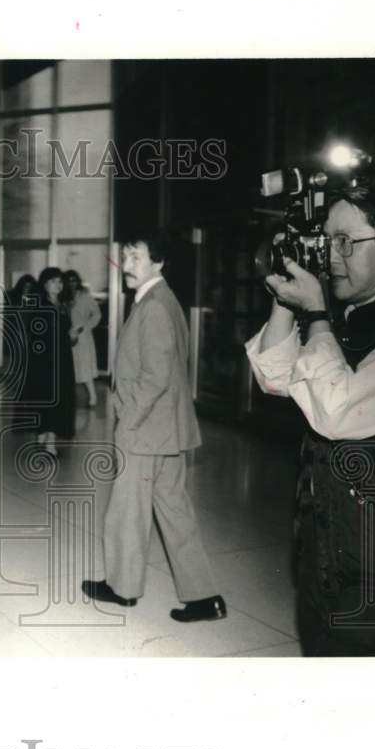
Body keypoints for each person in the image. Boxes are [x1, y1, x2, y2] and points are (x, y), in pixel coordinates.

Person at [245, 180, 375, 656]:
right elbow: (276, 377)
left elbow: (336, 412)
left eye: (346, 241)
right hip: (327, 554)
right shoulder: (351, 315)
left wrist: (315, 313)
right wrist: (287, 301)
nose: (331, 255)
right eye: (326, 241)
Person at [84, 236, 226, 622]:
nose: (126, 264)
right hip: (166, 429)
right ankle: (204, 597)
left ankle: (122, 588)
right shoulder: (159, 299)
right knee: (175, 513)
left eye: (136, 256)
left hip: (146, 430)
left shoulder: (155, 306)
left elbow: (156, 377)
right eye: (125, 256)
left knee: (126, 512)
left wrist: (127, 423)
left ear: (158, 262)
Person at [24, 267, 76, 456]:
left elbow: (63, 332)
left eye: (60, 282)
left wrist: (70, 335)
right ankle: (48, 441)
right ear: (45, 284)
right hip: (45, 360)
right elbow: (37, 333)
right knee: (48, 398)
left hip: (61, 358)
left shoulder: (62, 305)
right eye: (54, 281)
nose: (58, 285)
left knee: (58, 398)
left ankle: (45, 436)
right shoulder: (40, 305)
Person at [65, 269, 102, 406]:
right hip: (67, 336)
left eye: (74, 280)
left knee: (85, 367)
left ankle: (93, 397)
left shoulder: (85, 295)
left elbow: (97, 314)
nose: (72, 283)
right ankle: (70, 397)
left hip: (83, 336)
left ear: (78, 281)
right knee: (69, 368)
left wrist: (82, 328)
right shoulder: (64, 297)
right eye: (68, 281)